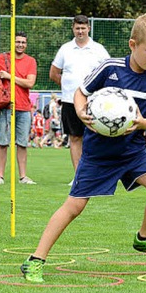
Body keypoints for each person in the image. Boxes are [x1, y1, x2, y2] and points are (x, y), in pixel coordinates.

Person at [20, 12, 146, 283]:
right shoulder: (109, 68)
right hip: (98, 154)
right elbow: (81, 92)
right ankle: (35, 259)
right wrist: (81, 112)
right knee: (74, 207)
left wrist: (142, 122)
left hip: (133, 151)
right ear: (132, 44)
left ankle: (144, 238)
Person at [50, 15, 110, 182]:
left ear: (88, 28)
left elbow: (109, 73)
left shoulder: (98, 49)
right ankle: (79, 177)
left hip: (93, 103)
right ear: (73, 28)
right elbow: (54, 73)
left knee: (96, 137)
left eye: (83, 28)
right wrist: (69, 87)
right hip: (70, 101)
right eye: (77, 28)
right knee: (75, 138)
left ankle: (96, 174)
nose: (80, 31)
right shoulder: (65, 49)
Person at [0, 31, 37, 185]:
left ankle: (23, 176)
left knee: (22, 143)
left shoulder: (30, 61)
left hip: (23, 107)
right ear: (13, 42)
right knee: (2, 142)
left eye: (23, 42)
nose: (20, 45)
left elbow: (29, 83)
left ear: (26, 44)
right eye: (18, 42)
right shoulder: (2, 58)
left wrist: (8, 76)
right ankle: (0, 176)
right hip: (4, 106)